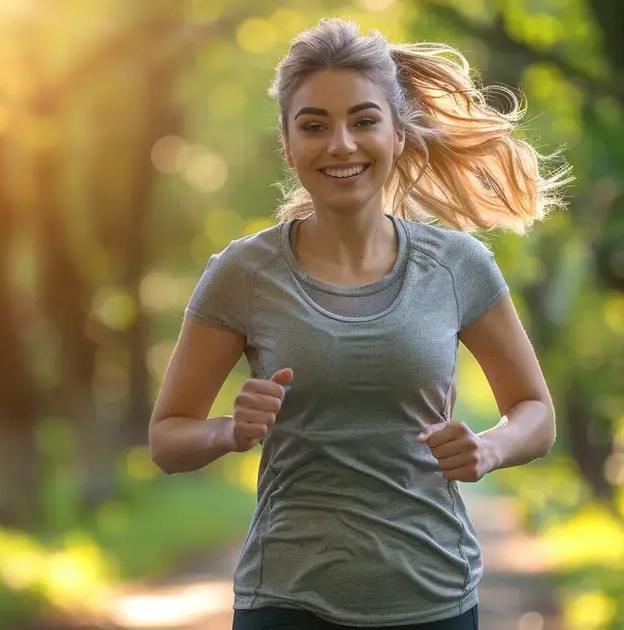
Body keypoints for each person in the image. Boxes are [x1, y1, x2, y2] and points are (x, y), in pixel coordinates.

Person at [148, 17, 569, 630]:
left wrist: (487, 448)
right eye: (314, 126)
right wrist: (228, 433)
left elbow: (536, 412)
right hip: (286, 602)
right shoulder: (244, 273)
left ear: (398, 134)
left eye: (364, 121)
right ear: (288, 146)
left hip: (435, 598)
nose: (340, 144)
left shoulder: (457, 266)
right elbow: (167, 438)